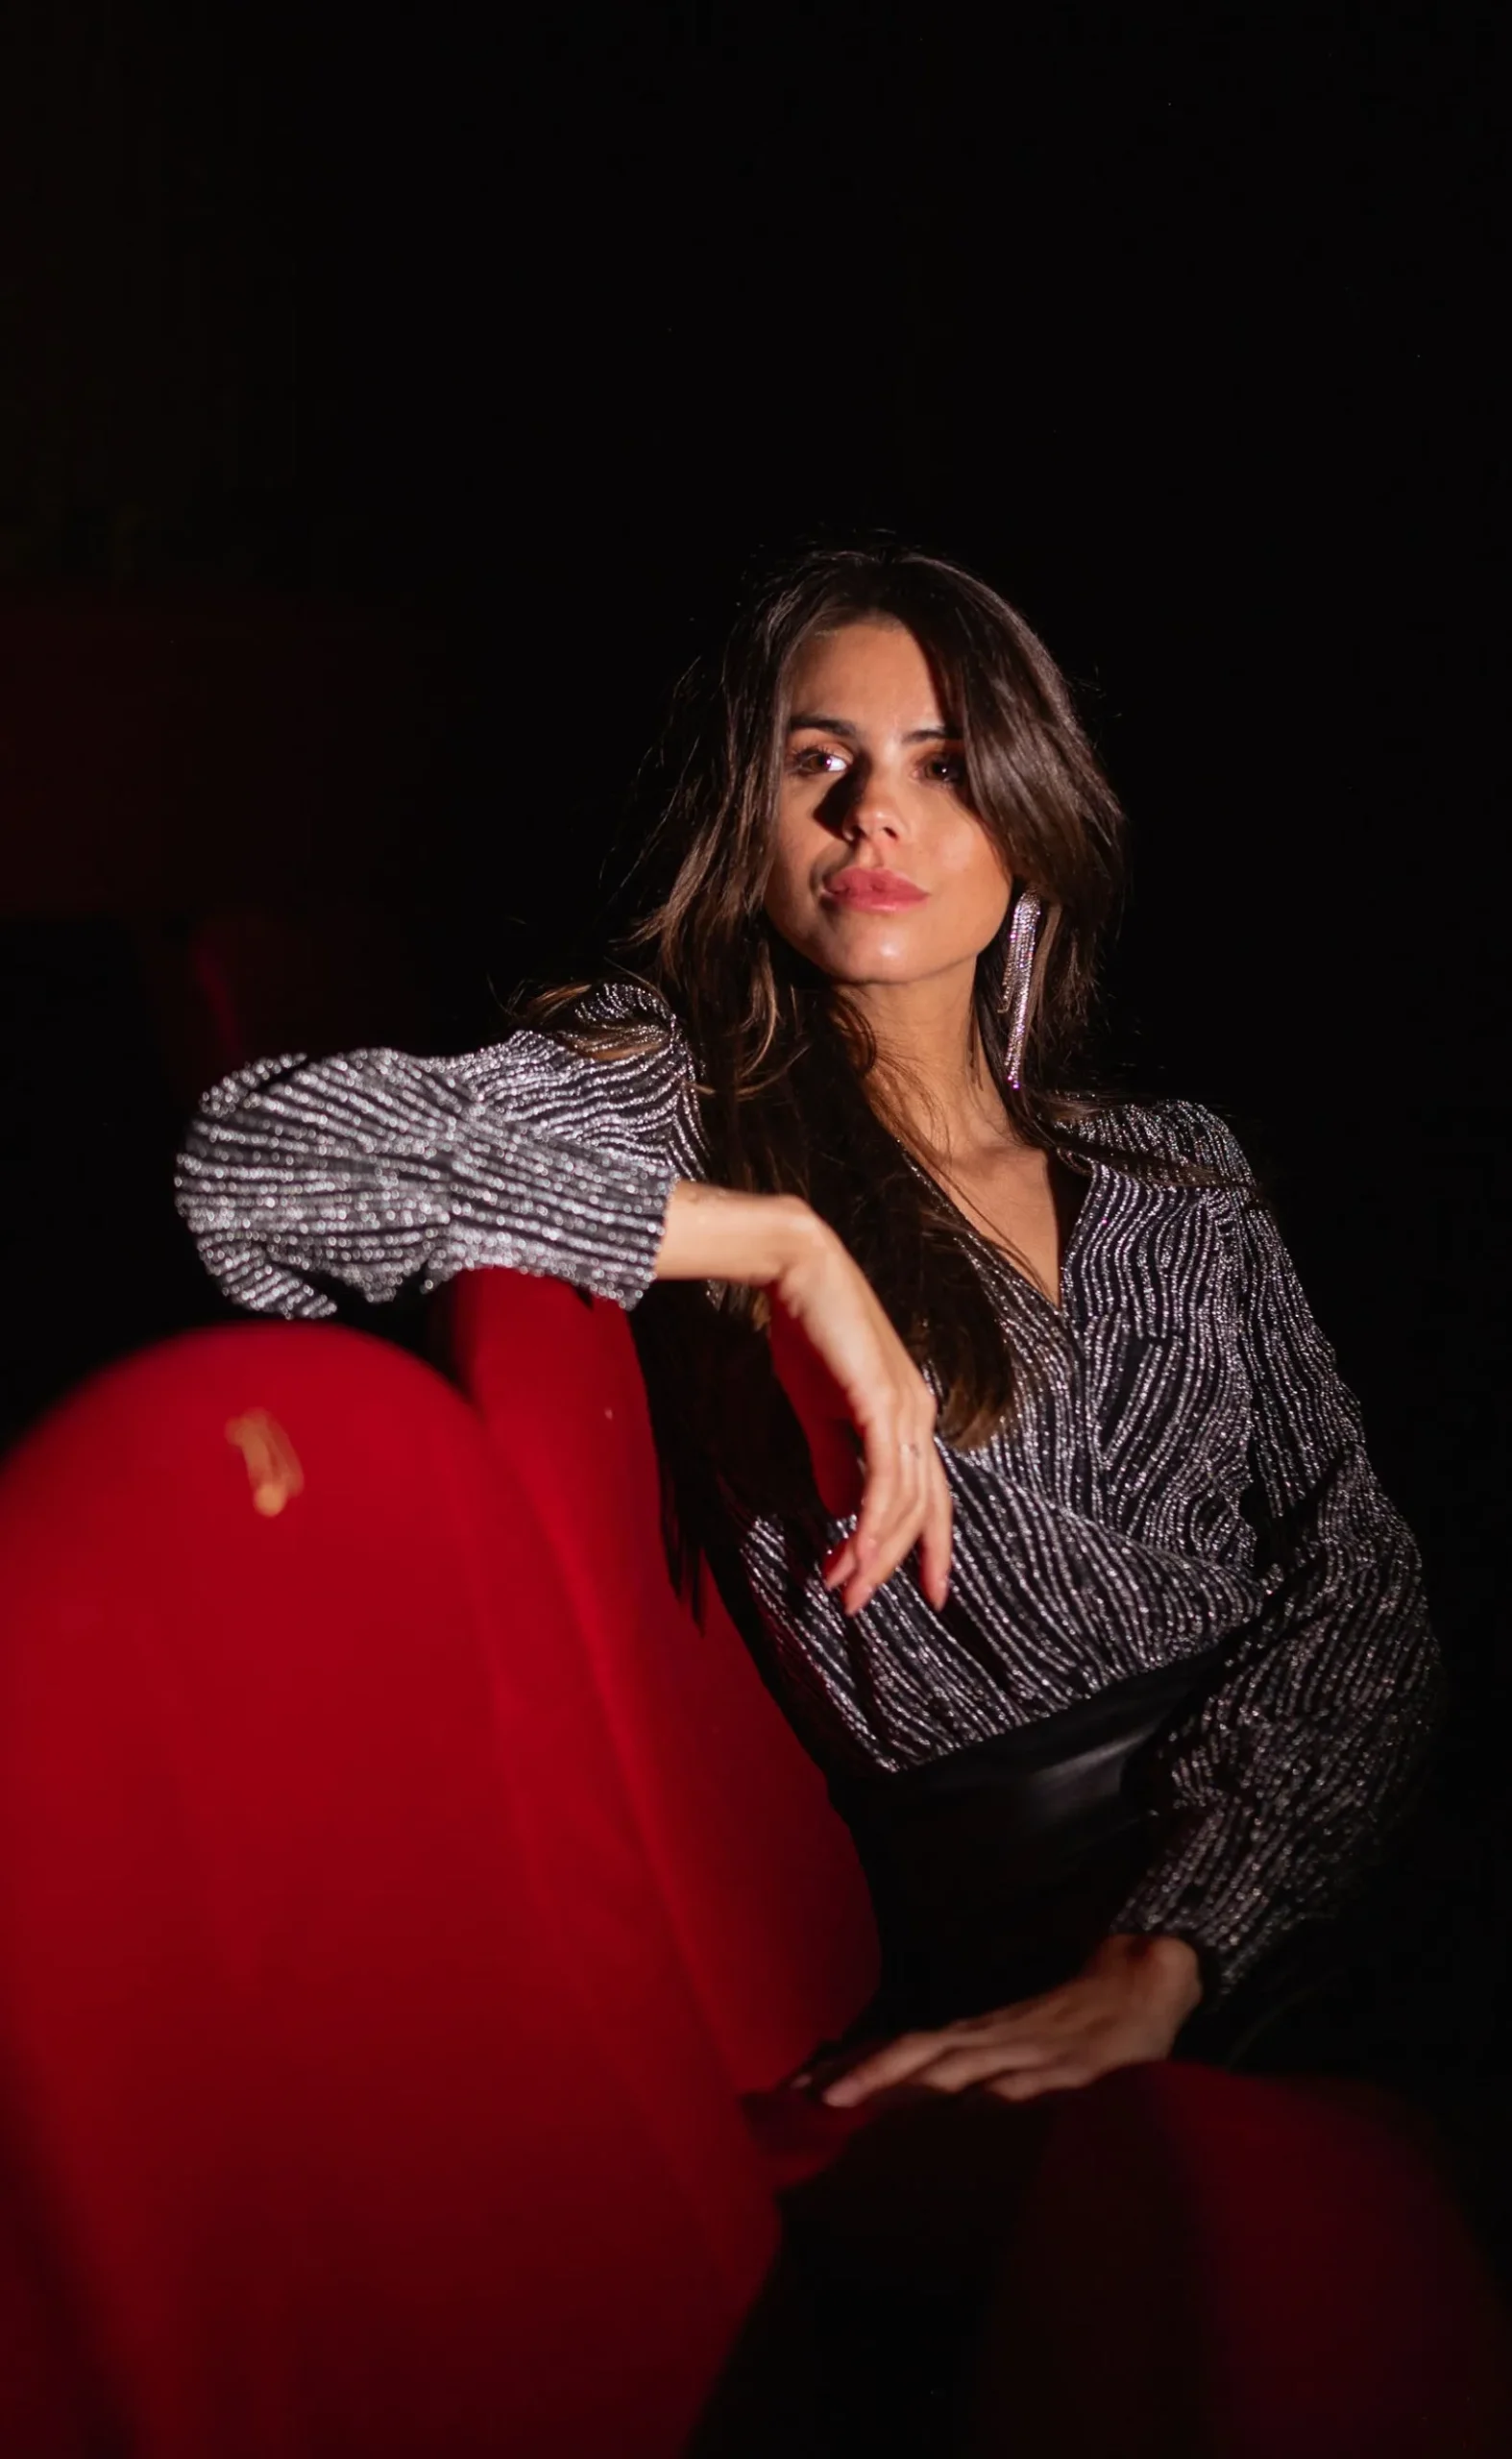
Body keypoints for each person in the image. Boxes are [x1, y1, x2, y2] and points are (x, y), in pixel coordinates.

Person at [175, 544, 1443, 2106]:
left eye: (943, 763)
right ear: (747, 818)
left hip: (1301, 1865)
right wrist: (777, 1246)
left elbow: (1362, 1577)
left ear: (1034, 821)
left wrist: (1181, 1944)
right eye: (816, 762)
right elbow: (258, 1164)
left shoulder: (1175, 1168)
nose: (872, 814)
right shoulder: (676, 1092)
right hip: (1035, 1933)